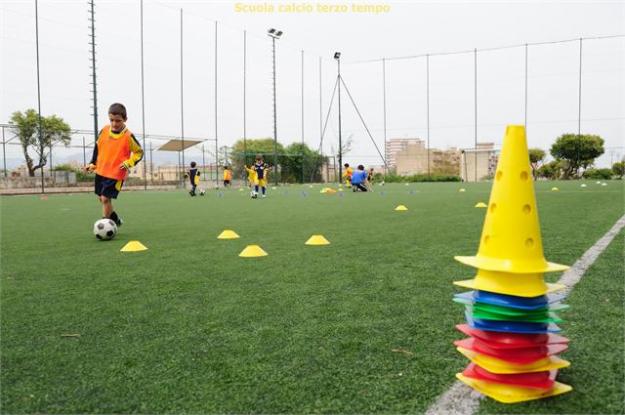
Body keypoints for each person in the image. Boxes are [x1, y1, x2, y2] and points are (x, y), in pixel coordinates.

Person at [85, 103, 143, 227]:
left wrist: (129, 162)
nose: (114, 123)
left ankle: (104, 226)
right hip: (101, 171)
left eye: (118, 120)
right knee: (102, 199)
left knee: (105, 199)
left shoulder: (128, 136)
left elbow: (139, 152)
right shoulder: (104, 130)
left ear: (125, 119)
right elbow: (97, 148)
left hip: (116, 174)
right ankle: (115, 219)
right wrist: (92, 163)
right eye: (112, 120)